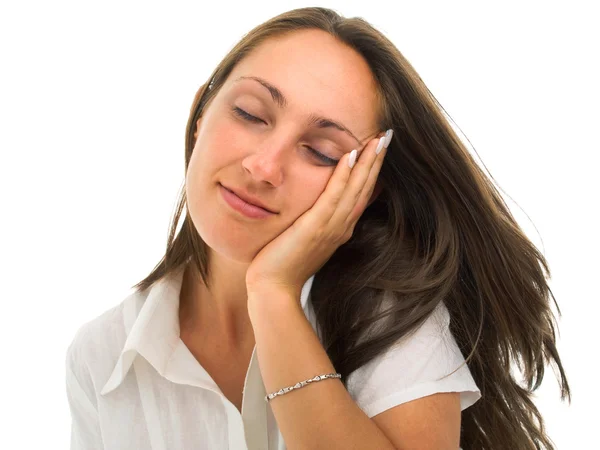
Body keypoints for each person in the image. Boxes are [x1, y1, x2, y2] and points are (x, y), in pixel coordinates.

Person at [65, 6, 570, 450]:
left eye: (321, 152)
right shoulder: (102, 356)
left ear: (363, 188)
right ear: (201, 113)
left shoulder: (391, 319)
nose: (264, 167)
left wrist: (272, 294)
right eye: (249, 113)